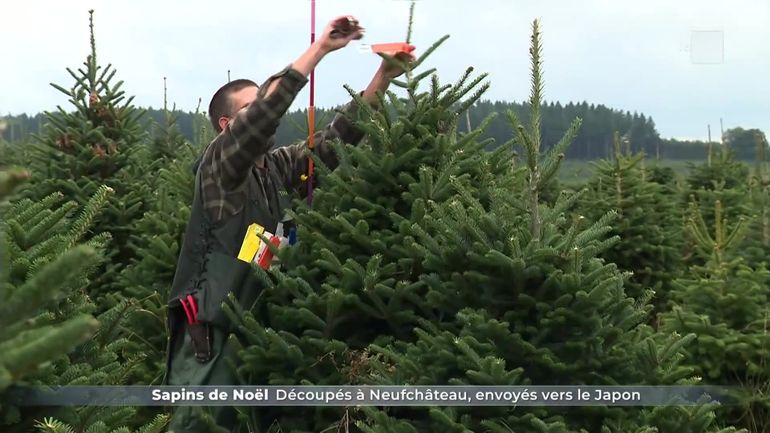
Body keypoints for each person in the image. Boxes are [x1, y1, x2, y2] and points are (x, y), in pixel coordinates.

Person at [163, 15, 414, 433]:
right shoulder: (221, 168)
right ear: (227, 127)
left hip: (257, 327)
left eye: (261, 100)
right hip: (212, 337)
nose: (263, 109)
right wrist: (319, 50)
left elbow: (336, 141)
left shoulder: (275, 168)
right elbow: (266, 113)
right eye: (250, 106)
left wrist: (384, 75)